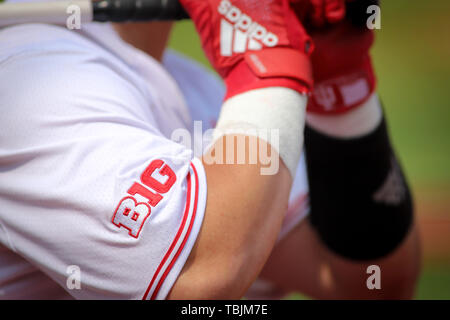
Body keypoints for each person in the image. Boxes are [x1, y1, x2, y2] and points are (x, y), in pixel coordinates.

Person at [0, 0, 420, 300]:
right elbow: (200, 279)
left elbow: (370, 282)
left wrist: (340, 94)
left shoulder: (192, 89)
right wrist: (267, 57)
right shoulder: (30, 79)